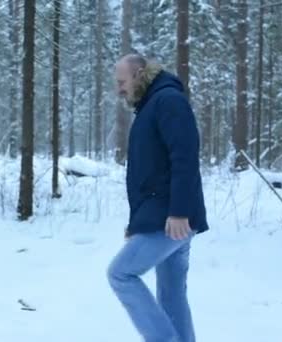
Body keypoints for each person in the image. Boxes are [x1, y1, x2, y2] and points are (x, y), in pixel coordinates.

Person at [107, 54, 209, 342]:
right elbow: (151, 172)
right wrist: (137, 222)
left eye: (122, 82)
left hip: (172, 217)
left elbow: (185, 157)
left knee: (121, 274)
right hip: (165, 215)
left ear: (139, 74)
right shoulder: (152, 106)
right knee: (171, 292)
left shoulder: (168, 101)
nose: (119, 89)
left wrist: (179, 211)